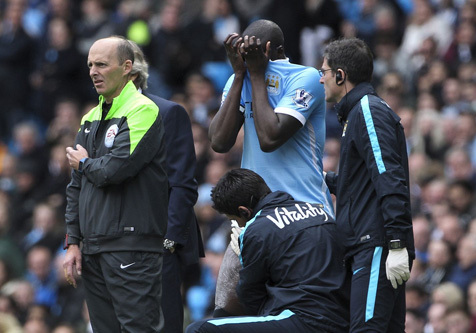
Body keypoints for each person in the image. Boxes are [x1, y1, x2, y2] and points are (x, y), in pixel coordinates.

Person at [62, 36, 168, 332]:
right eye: (90, 65)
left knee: (138, 329)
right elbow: (76, 187)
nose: (93, 71)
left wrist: (84, 163)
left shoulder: (143, 110)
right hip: (94, 247)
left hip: (130, 245)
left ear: (126, 67)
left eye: (101, 64)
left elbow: (115, 169)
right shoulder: (90, 117)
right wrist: (73, 242)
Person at [322, 38, 414, 332]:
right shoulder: (357, 114)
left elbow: (389, 177)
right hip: (373, 245)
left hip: (376, 245)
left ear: (340, 75)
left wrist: (396, 243)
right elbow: (360, 185)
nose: (320, 77)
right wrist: (320, 181)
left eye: (324, 71)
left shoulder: (368, 112)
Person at [186, 168, 349, 333]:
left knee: (199, 328)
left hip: (305, 320)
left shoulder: (257, 230)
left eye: (234, 220)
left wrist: (243, 251)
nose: (238, 226)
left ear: (244, 211)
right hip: (342, 317)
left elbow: (250, 297)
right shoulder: (320, 212)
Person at [209, 19, 334, 217]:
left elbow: (269, 139)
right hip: (258, 213)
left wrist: (258, 75)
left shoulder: (306, 77)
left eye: (253, 50)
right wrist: (240, 76)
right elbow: (219, 142)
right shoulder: (239, 79)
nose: (248, 56)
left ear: (272, 49)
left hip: (305, 209)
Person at [128, 39, 205, 333]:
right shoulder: (97, 119)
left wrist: (168, 243)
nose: (94, 73)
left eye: (102, 65)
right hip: (114, 245)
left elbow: (183, 184)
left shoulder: (168, 113)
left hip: (157, 244)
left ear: (131, 72)